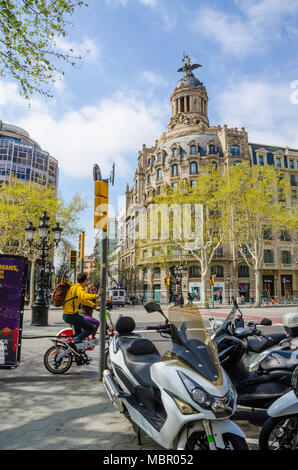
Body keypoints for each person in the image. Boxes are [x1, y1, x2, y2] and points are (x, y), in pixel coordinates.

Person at [62, 272, 103, 352]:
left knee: (80, 336)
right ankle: (72, 343)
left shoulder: (73, 287)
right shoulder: (78, 288)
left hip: (68, 315)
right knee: (91, 328)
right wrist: (97, 295)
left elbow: (83, 301)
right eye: (86, 280)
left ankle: (76, 353)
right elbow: (84, 295)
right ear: (84, 281)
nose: (87, 282)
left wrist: (94, 306)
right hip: (72, 316)